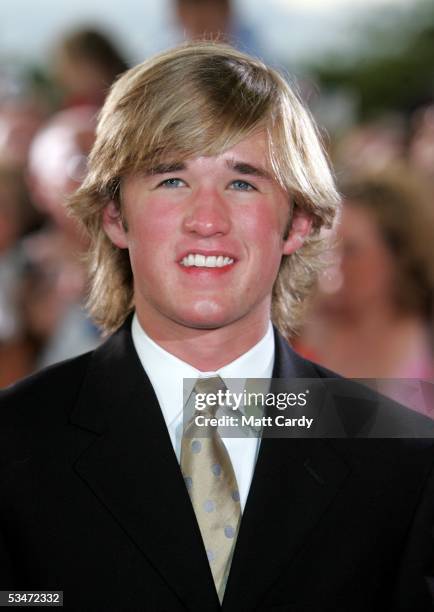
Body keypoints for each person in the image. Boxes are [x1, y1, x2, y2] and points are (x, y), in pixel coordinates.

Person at [0, 42, 433, 612]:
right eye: (171, 179)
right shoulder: (12, 447)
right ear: (114, 216)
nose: (207, 221)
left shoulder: (402, 457)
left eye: (243, 181)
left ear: (298, 222)